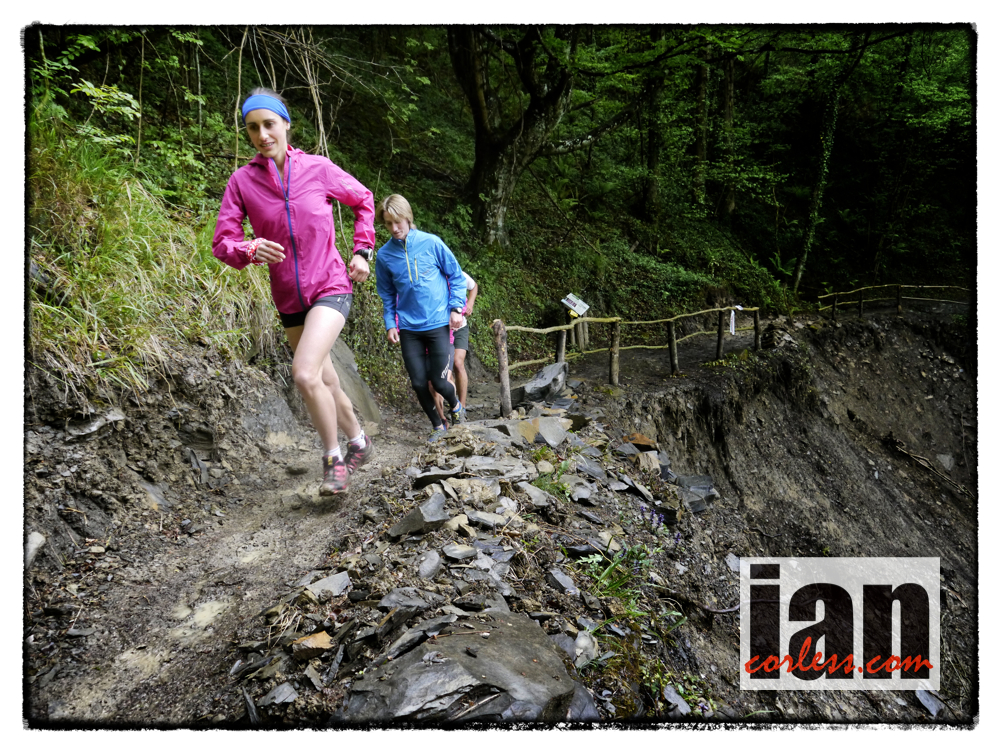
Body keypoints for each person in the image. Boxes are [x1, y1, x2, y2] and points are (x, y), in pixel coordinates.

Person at [212, 88, 376, 496]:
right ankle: (358, 442)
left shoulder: (318, 169)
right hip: (288, 297)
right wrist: (249, 249)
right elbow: (223, 242)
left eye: (269, 124)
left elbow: (363, 200)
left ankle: (333, 462)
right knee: (325, 378)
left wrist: (362, 251)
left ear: (286, 124)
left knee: (304, 373)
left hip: (330, 285)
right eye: (253, 128)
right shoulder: (242, 181)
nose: (262, 134)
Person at [374, 194, 467, 436]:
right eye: (388, 223)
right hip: (409, 328)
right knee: (418, 383)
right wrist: (390, 323)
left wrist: (456, 308)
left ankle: (456, 405)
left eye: (398, 222)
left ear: (408, 218)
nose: (394, 228)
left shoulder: (432, 243)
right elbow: (387, 294)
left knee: (439, 381)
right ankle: (438, 426)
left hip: (437, 323)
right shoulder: (384, 255)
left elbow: (457, 277)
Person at [430, 271, 478, 418]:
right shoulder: (430, 276)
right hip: (442, 329)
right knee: (445, 370)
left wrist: (470, 303)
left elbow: (473, 286)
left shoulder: (457, 272)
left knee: (458, 362)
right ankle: (451, 404)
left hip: (460, 327)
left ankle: (462, 406)